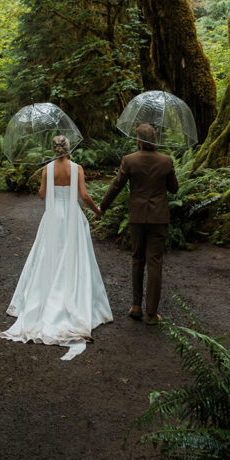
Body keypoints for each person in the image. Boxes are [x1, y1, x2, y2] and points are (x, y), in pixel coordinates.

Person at [0, 134, 112, 359]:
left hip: (52, 217)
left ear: (53, 150)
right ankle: (71, 297)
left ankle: (43, 297)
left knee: (47, 256)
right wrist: (97, 210)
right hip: (71, 216)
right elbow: (83, 195)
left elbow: (42, 195)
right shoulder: (77, 168)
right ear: (69, 149)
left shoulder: (47, 169)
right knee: (73, 257)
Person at [99, 122, 178, 325]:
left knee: (137, 259)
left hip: (136, 217)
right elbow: (174, 189)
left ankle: (136, 306)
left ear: (138, 141)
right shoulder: (166, 161)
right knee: (155, 263)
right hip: (158, 217)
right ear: (154, 141)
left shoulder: (129, 160)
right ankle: (151, 313)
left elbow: (116, 185)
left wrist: (103, 206)